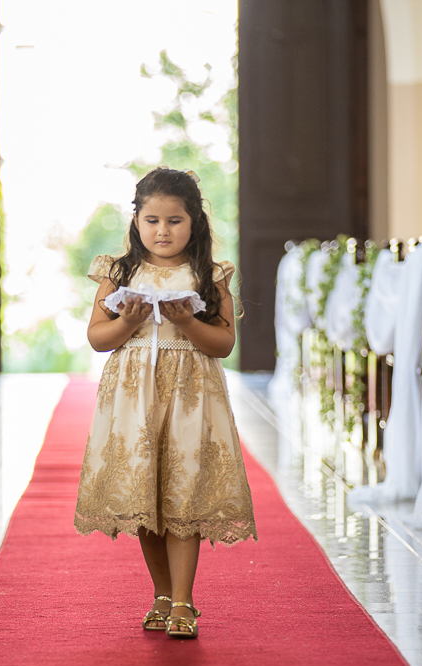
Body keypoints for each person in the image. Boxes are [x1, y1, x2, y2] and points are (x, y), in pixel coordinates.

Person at [73, 167, 257, 640]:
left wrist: (189, 322)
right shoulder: (117, 272)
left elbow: (222, 345)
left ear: (194, 222)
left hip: (190, 398)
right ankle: (159, 593)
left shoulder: (208, 275)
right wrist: (128, 322)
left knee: (182, 495)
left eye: (174, 221)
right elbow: (97, 338)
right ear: (136, 221)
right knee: (145, 497)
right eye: (152, 220)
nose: (162, 231)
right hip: (133, 399)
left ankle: (183, 601)